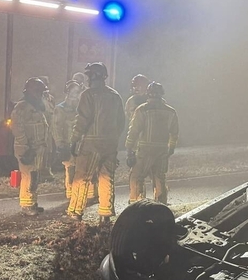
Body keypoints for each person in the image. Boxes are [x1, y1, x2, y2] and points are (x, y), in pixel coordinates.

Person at [67, 63, 125, 222]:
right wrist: (112, 138)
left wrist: (74, 139)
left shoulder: (88, 95)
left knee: (82, 178)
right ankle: (105, 214)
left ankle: (75, 212)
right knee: (107, 178)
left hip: (91, 145)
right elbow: (121, 122)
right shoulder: (115, 96)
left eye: (88, 75)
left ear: (93, 76)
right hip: (110, 144)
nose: (87, 79)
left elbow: (82, 119)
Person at [126, 81, 179, 204]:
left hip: (145, 150)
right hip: (162, 150)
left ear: (148, 94)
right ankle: (161, 204)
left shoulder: (142, 109)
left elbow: (133, 131)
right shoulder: (171, 111)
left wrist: (129, 150)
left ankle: (136, 203)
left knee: (136, 176)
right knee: (159, 177)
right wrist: (171, 148)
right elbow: (174, 133)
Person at [11, 77, 51, 215]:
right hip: (27, 149)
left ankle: (32, 202)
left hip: (37, 148)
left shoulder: (36, 107)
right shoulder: (21, 108)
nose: (41, 95)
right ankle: (27, 205)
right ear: (31, 92)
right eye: (39, 92)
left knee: (34, 177)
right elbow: (17, 129)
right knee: (29, 177)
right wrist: (25, 149)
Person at [53, 79, 87, 199]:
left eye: (77, 92)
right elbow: (56, 128)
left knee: (82, 169)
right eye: (72, 91)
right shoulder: (60, 109)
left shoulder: (81, 108)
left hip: (81, 144)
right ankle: (71, 193)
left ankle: (79, 194)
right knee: (70, 169)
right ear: (67, 92)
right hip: (68, 144)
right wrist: (60, 145)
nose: (75, 94)